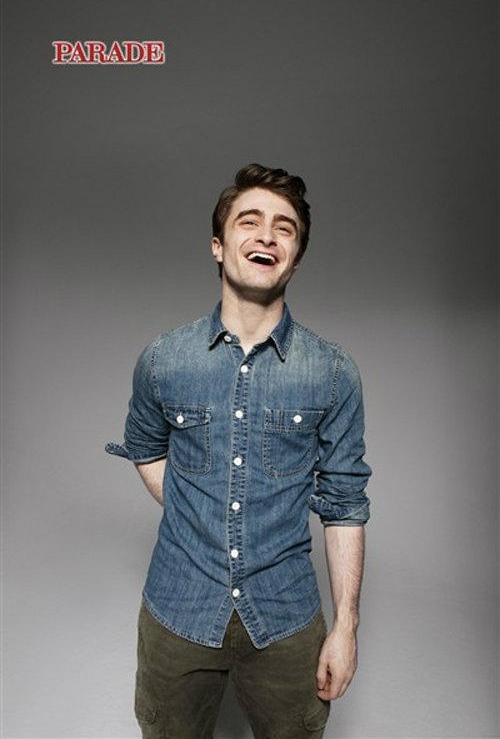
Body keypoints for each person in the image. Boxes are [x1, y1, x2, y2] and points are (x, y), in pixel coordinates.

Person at [106, 163, 372, 739]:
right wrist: (195, 509)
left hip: (286, 617)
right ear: (218, 246)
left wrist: (346, 627)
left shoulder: (332, 373)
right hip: (177, 609)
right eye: (249, 222)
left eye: (284, 228)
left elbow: (345, 505)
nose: (267, 236)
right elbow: (145, 448)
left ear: (296, 257)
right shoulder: (163, 361)